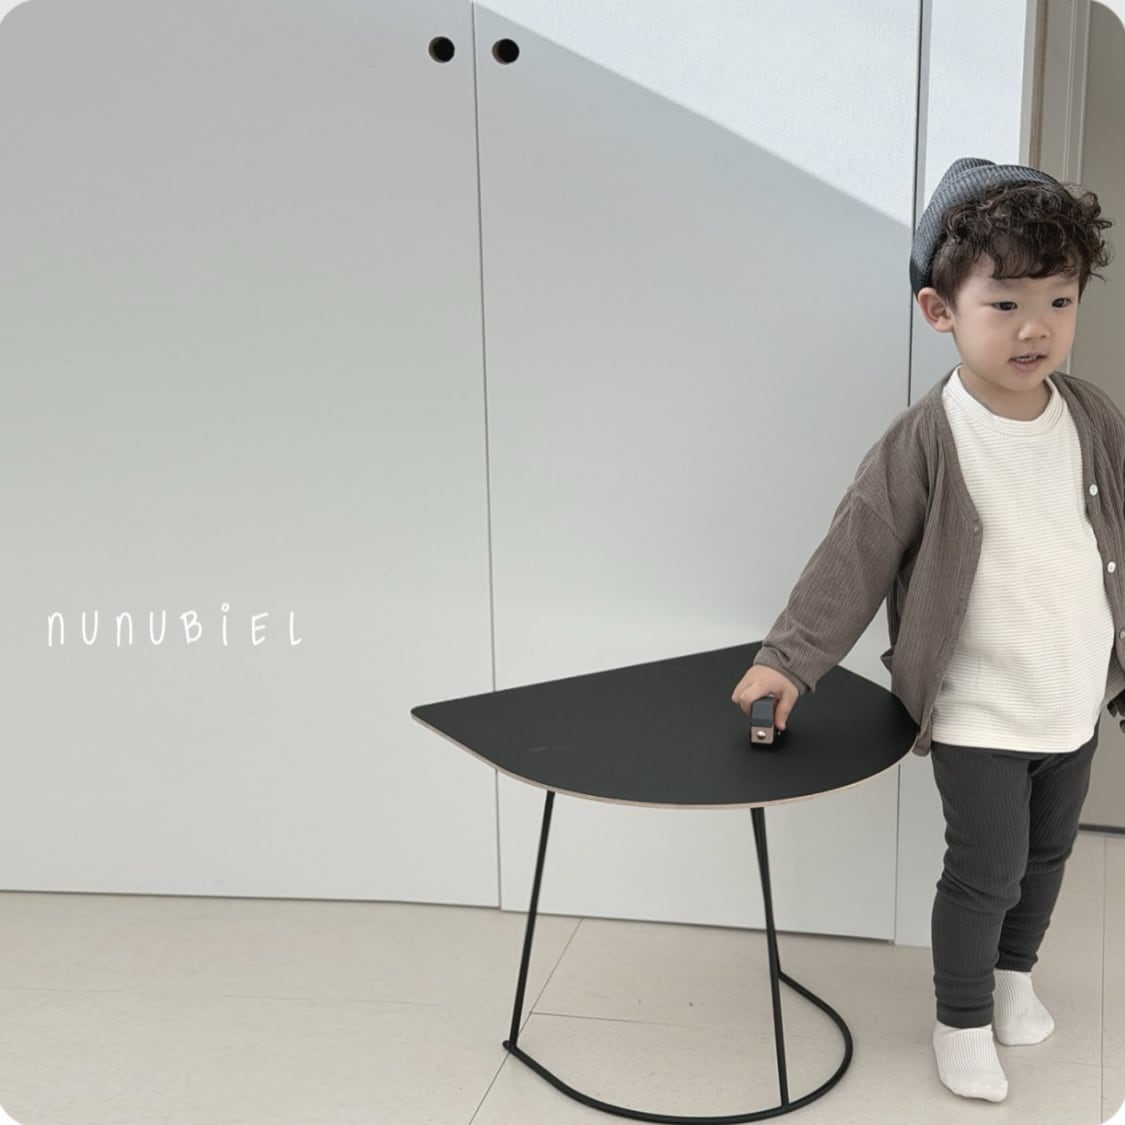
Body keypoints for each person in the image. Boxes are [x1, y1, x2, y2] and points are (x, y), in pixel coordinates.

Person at [730, 156, 1122, 1103]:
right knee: (985, 870)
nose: (1035, 327)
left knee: (1046, 859)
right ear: (938, 310)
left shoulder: (1089, 416)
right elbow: (853, 554)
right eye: (1004, 304)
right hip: (979, 707)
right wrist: (787, 661)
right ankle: (961, 1018)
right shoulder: (926, 438)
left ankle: (1013, 978)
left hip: (1070, 696)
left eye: (1059, 301)